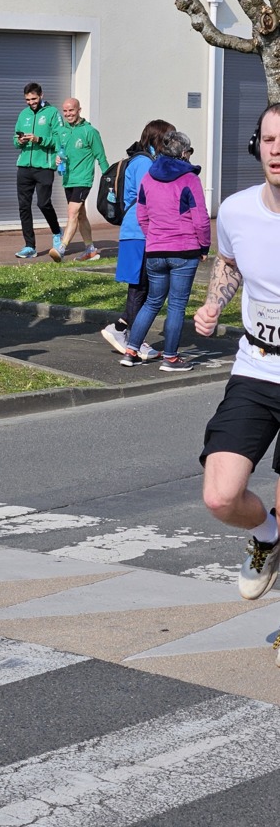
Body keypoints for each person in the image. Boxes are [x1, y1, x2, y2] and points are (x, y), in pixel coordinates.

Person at [196, 102, 280, 629]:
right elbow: (228, 264)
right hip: (256, 366)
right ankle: (267, 536)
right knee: (220, 496)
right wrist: (213, 305)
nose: (278, 150)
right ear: (257, 146)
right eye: (270, 140)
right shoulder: (235, 210)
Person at [120, 130, 210, 372]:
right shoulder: (189, 179)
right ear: (184, 153)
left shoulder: (149, 177)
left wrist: (153, 237)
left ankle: (131, 351)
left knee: (152, 301)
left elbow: (141, 214)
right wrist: (204, 246)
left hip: (155, 249)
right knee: (177, 305)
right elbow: (201, 219)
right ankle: (170, 358)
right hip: (184, 250)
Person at [101, 119, 175, 357]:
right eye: (169, 138)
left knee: (144, 286)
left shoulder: (146, 160)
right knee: (141, 286)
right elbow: (152, 196)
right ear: (158, 138)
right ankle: (134, 339)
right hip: (139, 232)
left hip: (139, 232)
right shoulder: (144, 162)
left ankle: (120, 329)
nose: (171, 143)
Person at [49, 98, 108, 263]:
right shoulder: (61, 132)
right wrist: (57, 159)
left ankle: (61, 248)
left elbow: (101, 157)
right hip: (68, 179)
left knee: (72, 212)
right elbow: (58, 153)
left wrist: (109, 181)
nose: (68, 114)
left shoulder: (90, 131)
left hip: (83, 179)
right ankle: (90, 249)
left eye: (71, 110)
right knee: (81, 215)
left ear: (79, 110)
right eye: (65, 111)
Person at [13, 82, 63, 259]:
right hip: (24, 167)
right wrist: (19, 141)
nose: (31, 102)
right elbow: (14, 139)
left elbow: (59, 139)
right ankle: (29, 246)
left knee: (43, 203)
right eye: (27, 100)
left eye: (33, 99)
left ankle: (57, 232)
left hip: (44, 167)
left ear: (41, 95)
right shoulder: (23, 114)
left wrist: (39, 139)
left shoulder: (52, 113)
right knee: (23, 206)